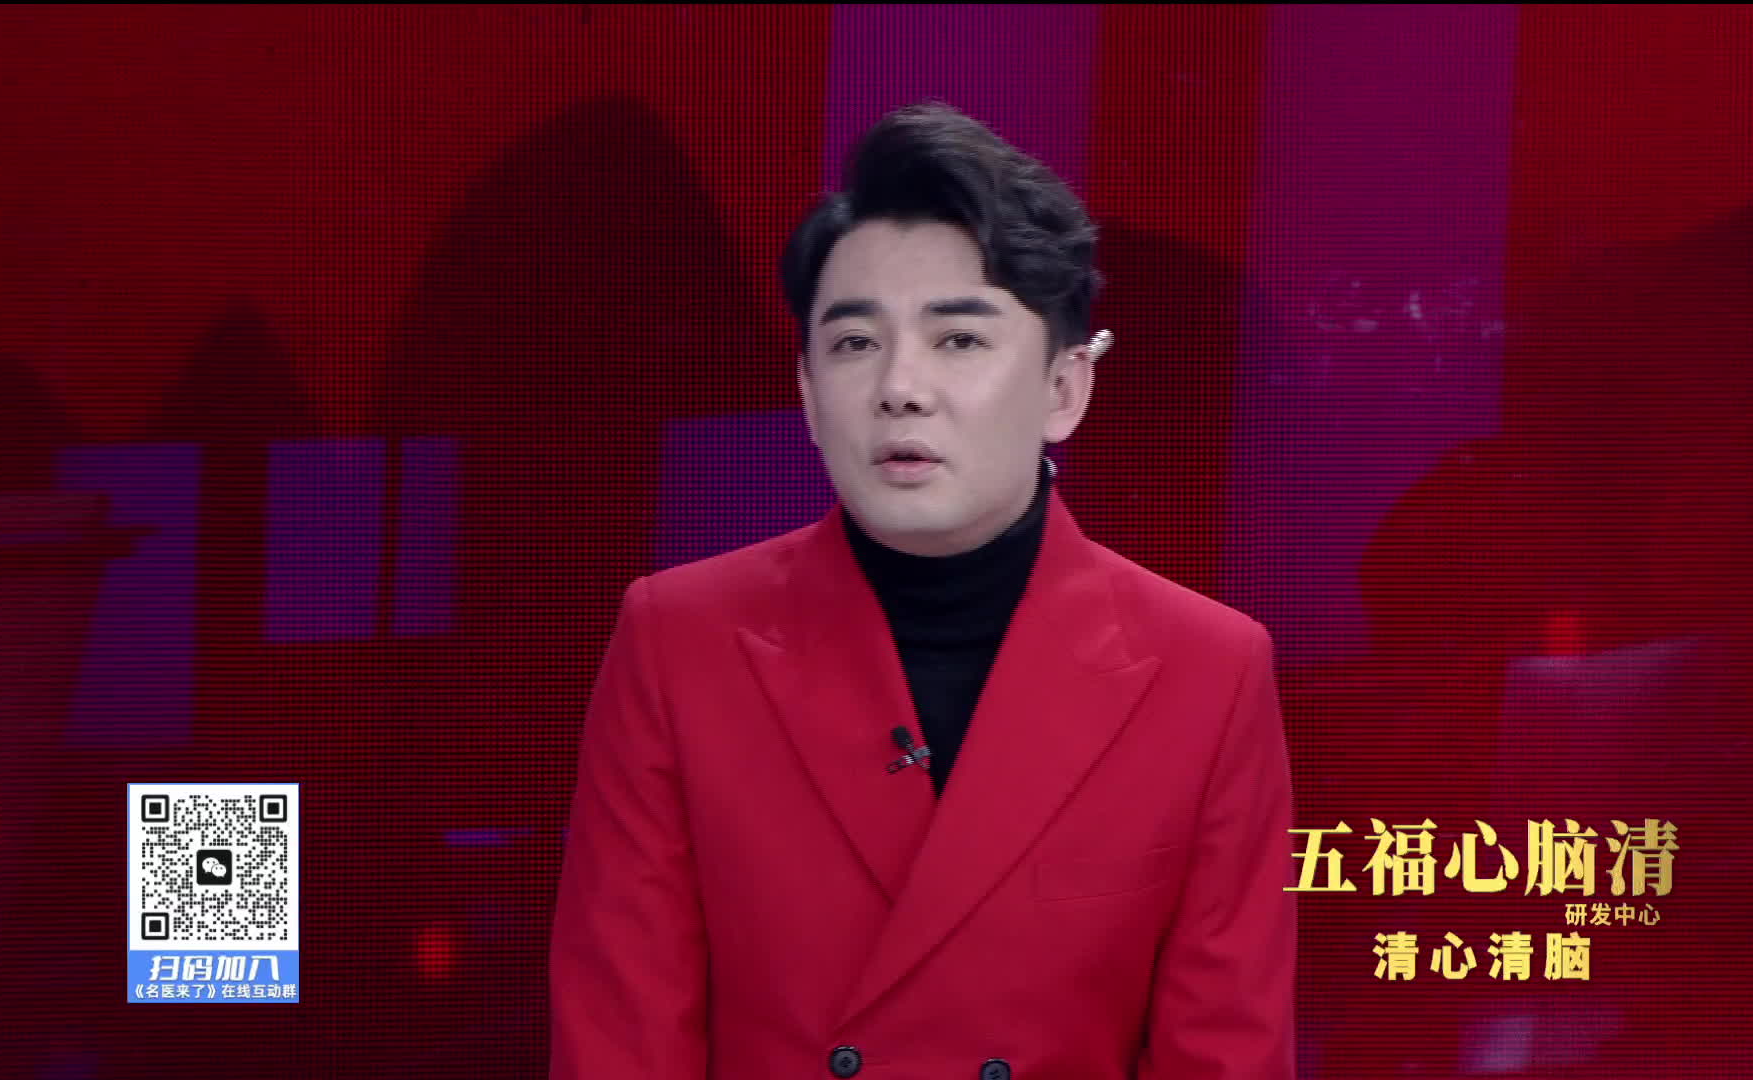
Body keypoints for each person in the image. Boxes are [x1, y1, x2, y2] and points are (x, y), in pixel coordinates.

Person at [549, 100, 1294, 1079]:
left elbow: (1225, 1053)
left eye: (958, 341)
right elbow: (622, 1043)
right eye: (855, 343)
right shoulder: (676, 643)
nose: (899, 386)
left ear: (1064, 390)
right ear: (808, 392)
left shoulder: (1209, 673)